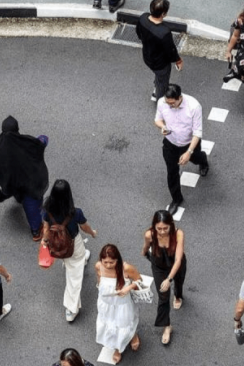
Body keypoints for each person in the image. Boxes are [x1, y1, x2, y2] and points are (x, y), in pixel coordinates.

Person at [41, 179, 97, 322]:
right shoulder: (75, 212)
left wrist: (45, 241)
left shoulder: (48, 209)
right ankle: (71, 309)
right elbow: (84, 227)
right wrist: (92, 233)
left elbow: (46, 228)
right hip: (72, 243)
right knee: (74, 276)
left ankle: (77, 260)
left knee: (71, 259)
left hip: (56, 244)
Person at [0, 116, 49, 241]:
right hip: (31, 184)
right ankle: (36, 231)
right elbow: (42, 141)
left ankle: (35, 229)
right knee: (32, 209)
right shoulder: (27, 143)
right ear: (17, 129)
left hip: (12, 184)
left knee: (21, 197)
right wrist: (42, 138)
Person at [154, 84, 210, 215]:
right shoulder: (162, 103)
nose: (170, 106)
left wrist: (188, 153)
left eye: (172, 103)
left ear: (180, 98)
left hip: (189, 143)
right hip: (170, 143)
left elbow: (197, 133)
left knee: (196, 158)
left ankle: (203, 161)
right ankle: (176, 199)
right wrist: (162, 127)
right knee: (172, 172)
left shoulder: (194, 106)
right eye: (168, 103)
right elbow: (157, 120)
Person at [141, 210, 187, 344]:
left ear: (171, 225)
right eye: (159, 228)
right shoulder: (150, 234)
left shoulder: (178, 234)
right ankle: (167, 326)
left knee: (179, 282)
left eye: (165, 228)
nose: (162, 232)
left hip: (176, 264)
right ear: (154, 226)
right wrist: (144, 252)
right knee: (163, 295)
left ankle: (178, 296)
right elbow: (146, 246)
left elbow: (178, 260)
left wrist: (169, 279)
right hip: (159, 266)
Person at [95, 244, 141, 364]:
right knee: (110, 325)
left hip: (122, 304)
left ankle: (132, 336)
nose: (108, 265)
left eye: (112, 262)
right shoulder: (98, 266)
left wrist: (128, 288)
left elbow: (139, 280)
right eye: (105, 262)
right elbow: (99, 281)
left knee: (124, 324)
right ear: (101, 260)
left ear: (118, 260)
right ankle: (118, 349)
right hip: (106, 303)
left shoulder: (126, 269)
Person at [136, 0, 183, 102]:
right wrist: (178, 60)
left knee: (159, 76)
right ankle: (159, 99)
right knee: (162, 81)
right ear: (163, 14)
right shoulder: (164, 32)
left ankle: (156, 89)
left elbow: (138, 33)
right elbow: (170, 50)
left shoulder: (143, 18)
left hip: (147, 57)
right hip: (160, 64)